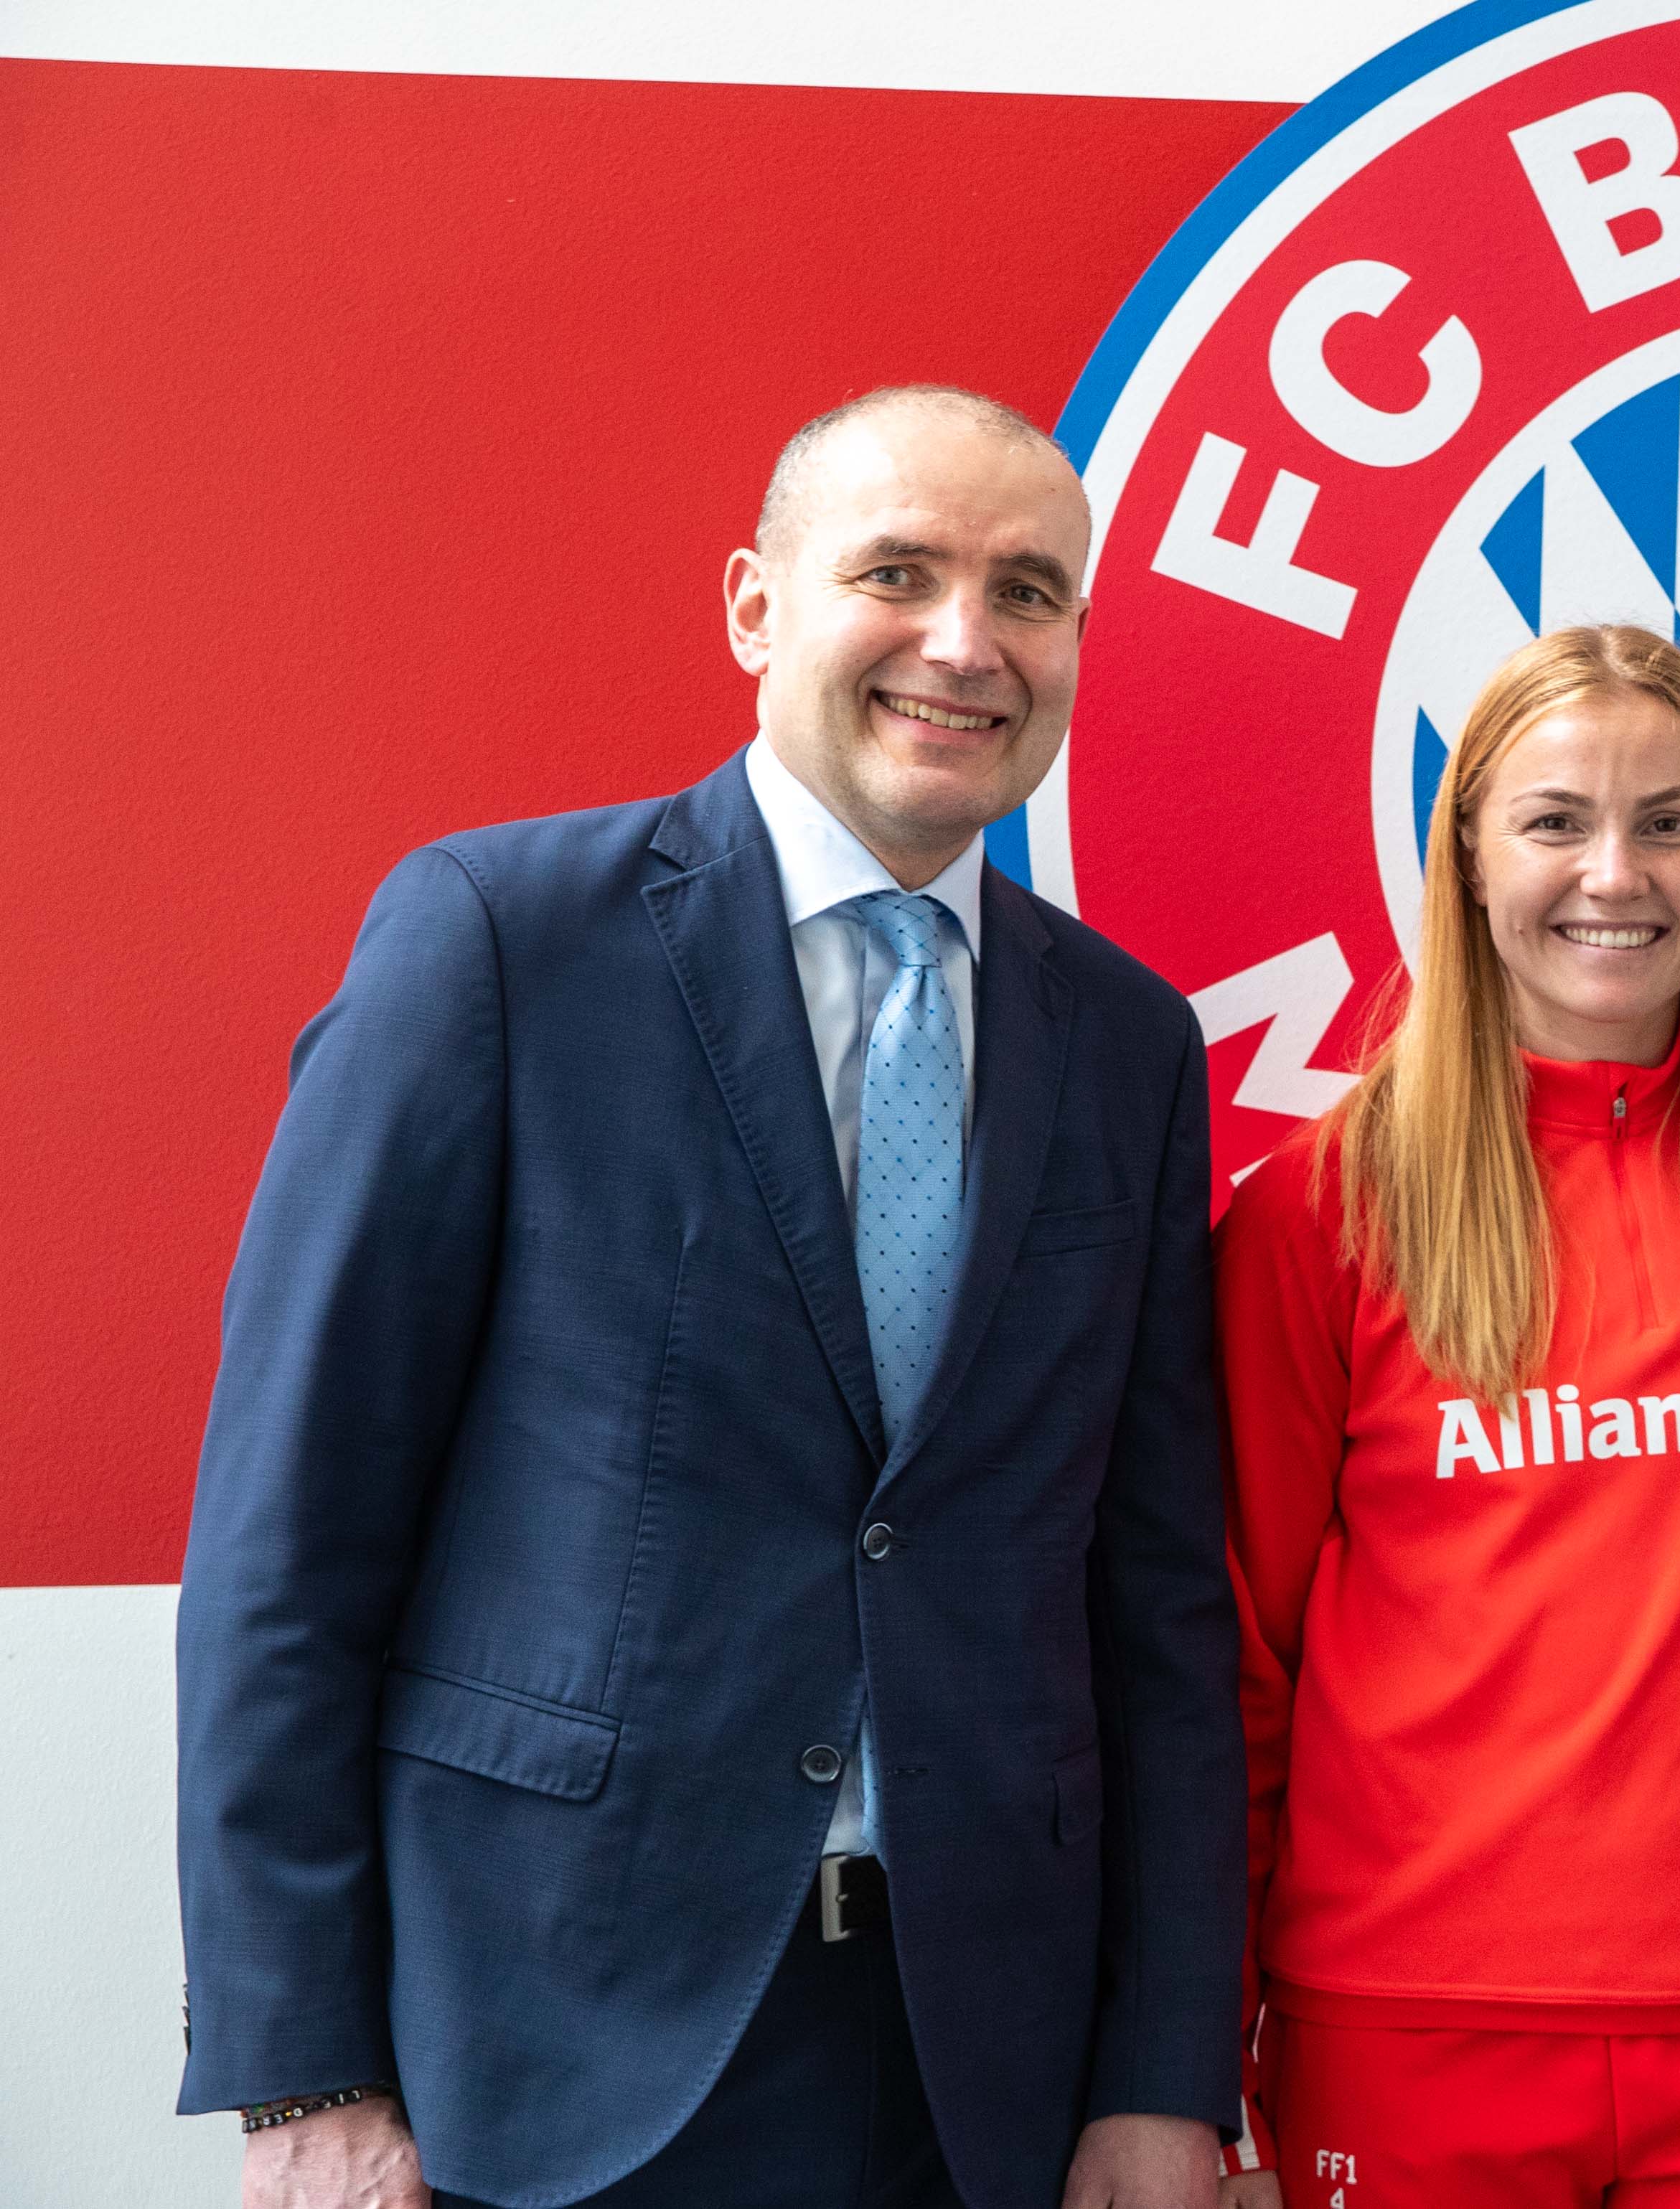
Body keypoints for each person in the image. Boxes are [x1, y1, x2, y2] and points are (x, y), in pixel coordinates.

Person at [174, 385, 1246, 2209]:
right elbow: (293, 1540)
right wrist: (303, 2075)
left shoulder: (1127, 1042)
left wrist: (1165, 2072)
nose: (964, 644)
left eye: (1030, 593)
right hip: (556, 2047)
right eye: (895, 573)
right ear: (757, 608)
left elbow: (1154, 1602)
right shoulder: (500, 945)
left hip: (982, 2067)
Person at [1212, 626, 1680, 2209]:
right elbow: (1238, 1664)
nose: (1617, 871)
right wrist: (1206, 2055)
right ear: (1469, 855)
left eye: (1672, 821)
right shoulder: (1321, 1207)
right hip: (1410, 2034)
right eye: (1555, 820)